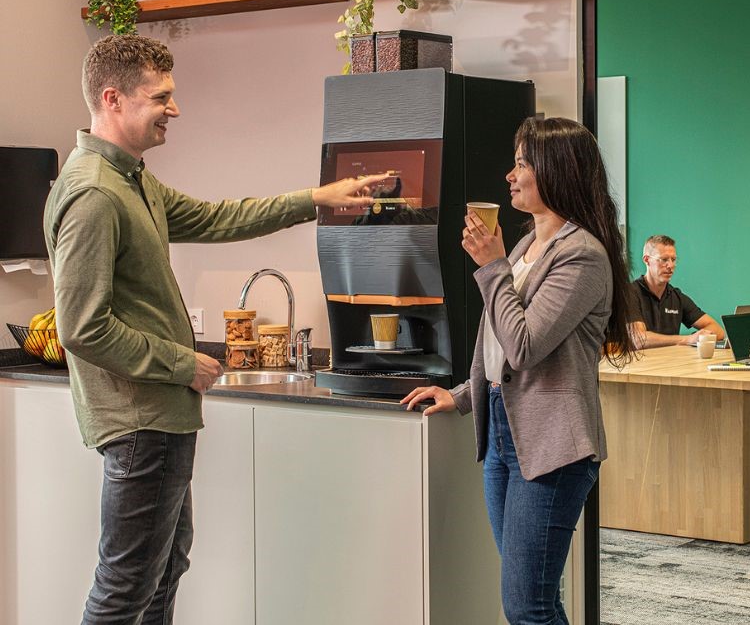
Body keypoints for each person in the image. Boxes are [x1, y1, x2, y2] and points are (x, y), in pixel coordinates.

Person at [43, 34, 386, 625]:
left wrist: (317, 198)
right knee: (125, 587)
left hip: (161, 415)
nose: (174, 109)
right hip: (141, 418)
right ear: (113, 98)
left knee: (162, 572)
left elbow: (217, 218)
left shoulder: (132, 180)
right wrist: (183, 362)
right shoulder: (94, 193)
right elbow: (82, 326)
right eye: (161, 97)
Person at [401, 117, 635, 625]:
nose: (510, 175)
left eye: (522, 163)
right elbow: (497, 348)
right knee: (531, 600)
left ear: (556, 170)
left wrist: (491, 266)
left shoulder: (581, 255)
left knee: (527, 606)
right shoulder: (526, 245)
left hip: (552, 445)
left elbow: (524, 346)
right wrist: (462, 394)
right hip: (503, 434)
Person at [629, 234, 725, 349]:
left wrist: (698, 337)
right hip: (641, 360)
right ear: (647, 260)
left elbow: (718, 330)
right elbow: (639, 339)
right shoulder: (630, 293)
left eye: (673, 260)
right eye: (664, 259)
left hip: (671, 359)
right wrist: (686, 339)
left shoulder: (676, 296)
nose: (670, 265)